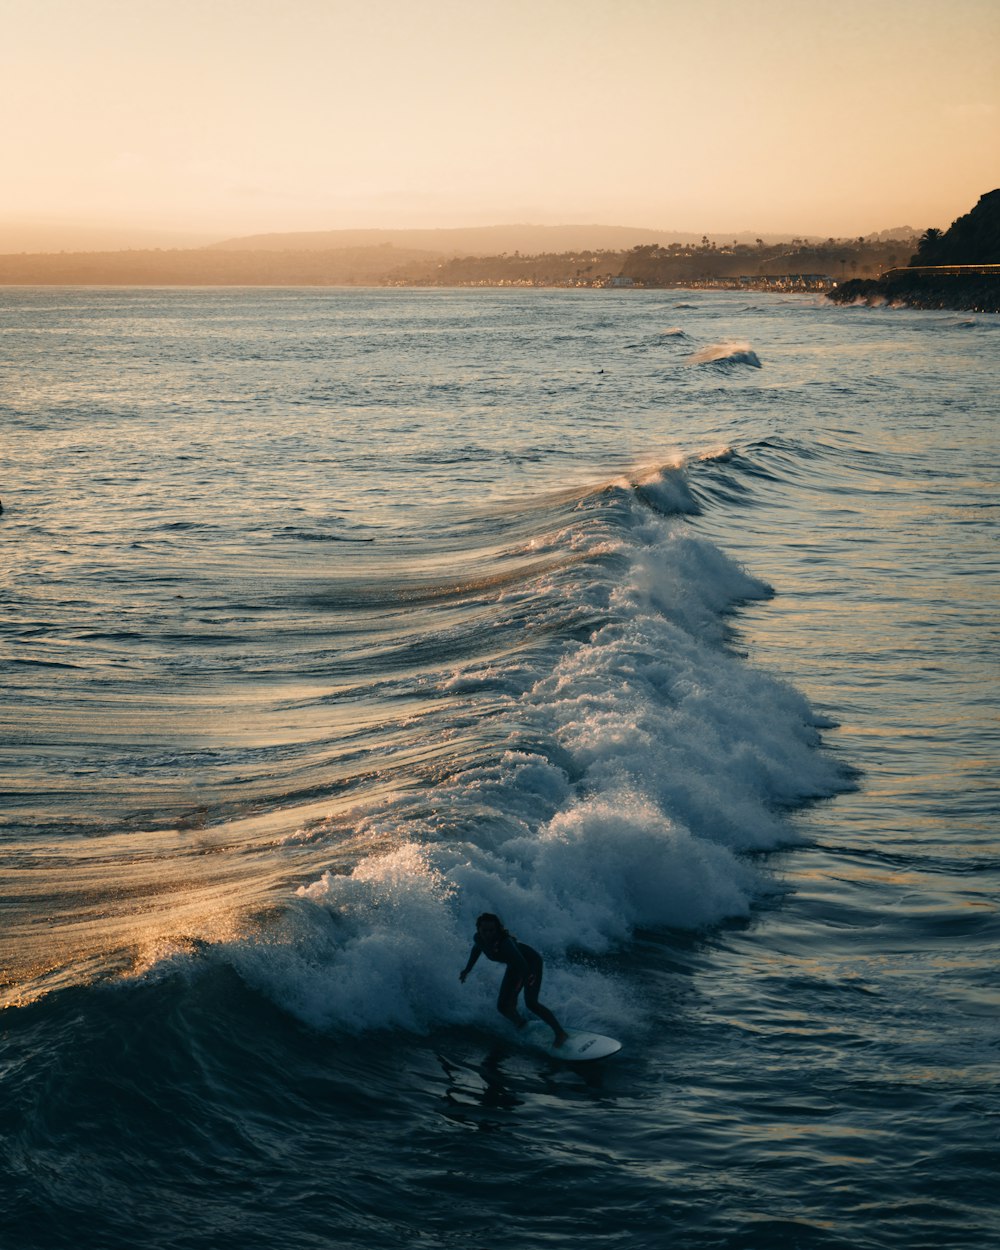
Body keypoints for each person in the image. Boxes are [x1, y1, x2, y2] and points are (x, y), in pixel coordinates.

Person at [459, 912, 569, 1047]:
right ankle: (522, 1025)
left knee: (531, 1003)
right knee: (502, 1007)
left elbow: (523, 965)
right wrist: (467, 969)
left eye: (491, 930)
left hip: (530, 963)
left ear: (497, 929)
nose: (488, 934)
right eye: (484, 930)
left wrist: (518, 988)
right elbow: (477, 949)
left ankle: (560, 1033)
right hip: (514, 965)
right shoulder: (478, 938)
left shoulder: (505, 943)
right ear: (478, 929)